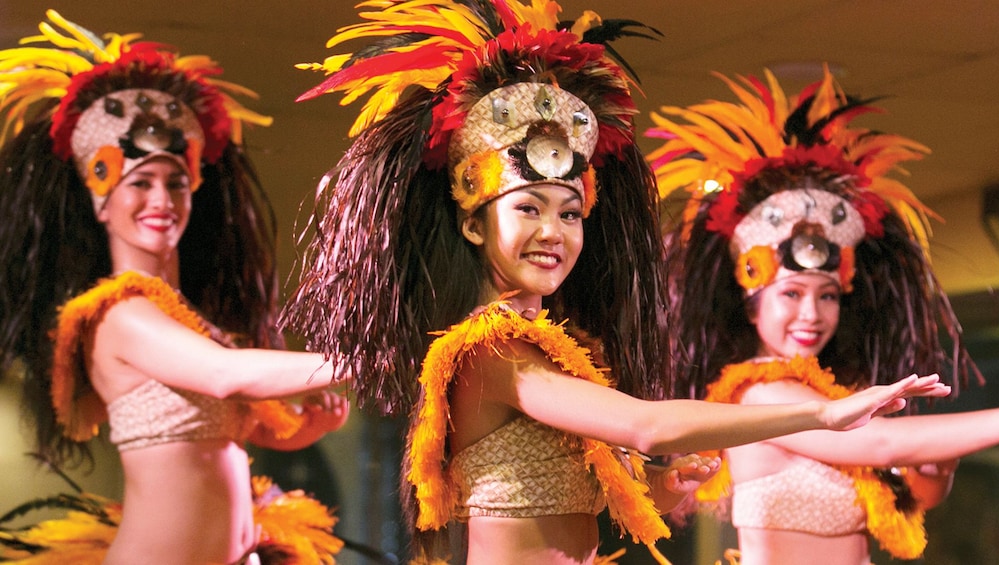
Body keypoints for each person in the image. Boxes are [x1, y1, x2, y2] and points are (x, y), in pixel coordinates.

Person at [280, 3, 949, 563]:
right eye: (528, 207)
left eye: (570, 211)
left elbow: (598, 487)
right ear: (475, 222)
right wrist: (825, 412)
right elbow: (647, 423)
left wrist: (657, 486)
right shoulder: (487, 350)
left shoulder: (556, 352)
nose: (554, 231)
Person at [0, 11, 347, 565]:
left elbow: (219, 431)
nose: (161, 200)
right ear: (101, 200)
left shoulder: (189, 322)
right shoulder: (118, 314)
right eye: (140, 183)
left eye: (175, 182)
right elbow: (225, 376)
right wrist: (366, 357)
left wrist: (304, 431)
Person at [649, 65, 999, 565]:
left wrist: (935, 471)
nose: (811, 314)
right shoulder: (756, 393)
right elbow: (880, 446)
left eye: (828, 295)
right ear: (752, 304)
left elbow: (911, 493)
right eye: (791, 294)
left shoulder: (831, 392)